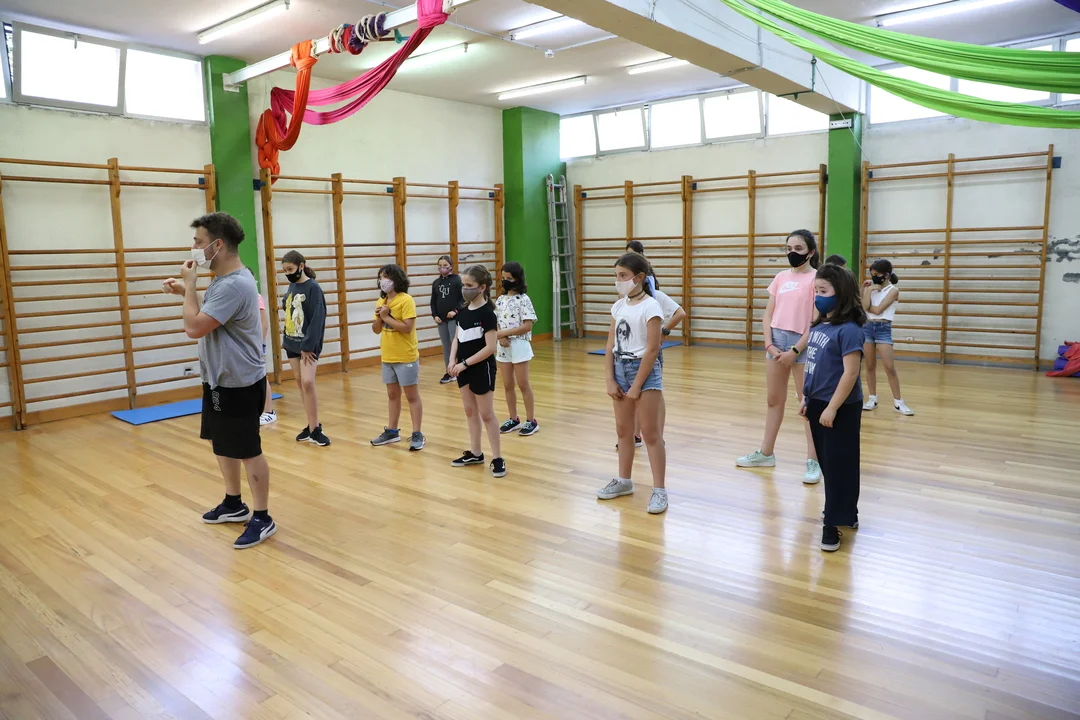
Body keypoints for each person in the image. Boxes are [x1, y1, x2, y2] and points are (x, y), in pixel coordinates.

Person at [162, 212, 275, 549]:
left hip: (239, 382)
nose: (194, 248)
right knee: (222, 443)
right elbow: (210, 313)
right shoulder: (223, 282)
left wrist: (190, 287)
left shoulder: (234, 284)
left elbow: (193, 327)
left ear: (218, 245)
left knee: (248, 451)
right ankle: (233, 502)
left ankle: (263, 517)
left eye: (199, 242)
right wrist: (186, 291)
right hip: (218, 379)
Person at [736, 229, 822, 484]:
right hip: (776, 341)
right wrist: (769, 344)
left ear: (811, 252)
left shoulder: (817, 279)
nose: (792, 253)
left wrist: (795, 351)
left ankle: (814, 460)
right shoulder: (781, 277)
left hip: (802, 343)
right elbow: (768, 314)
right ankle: (766, 453)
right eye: (789, 249)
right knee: (774, 400)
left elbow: (816, 321)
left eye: (798, 249)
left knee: (807, 404)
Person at [799, 264, 866, 552]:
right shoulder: (818, 326)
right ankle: (846, 513)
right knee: (829, 464)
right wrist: (806, 397)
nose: (817, 296)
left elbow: (850, 374)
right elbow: (813, 366)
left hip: (839, 407)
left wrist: (832, 408)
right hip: (817, 403)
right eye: (816, 290)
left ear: (841, 294)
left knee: (840, 465)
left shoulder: (849, 331)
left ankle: (832, 524)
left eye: (823, 291)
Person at [596, 252, 668, 515]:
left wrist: (637, 385)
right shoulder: (618, 306)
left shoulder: (651, 307)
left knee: (650, 433)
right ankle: (624, 481)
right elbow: (609, 345)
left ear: (639, 278)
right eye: (616, 276)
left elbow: (652, 349)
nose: (618, 280)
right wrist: (610, 379)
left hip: (644, 372)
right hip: (620, 369)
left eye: (623, 275)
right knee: (623, 431)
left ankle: (659, 489)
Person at [448, 265, 505, 477]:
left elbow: (490, 348)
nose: (465, 289)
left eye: (469, 285)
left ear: (481, 288)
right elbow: (457, 338)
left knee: (486, 414)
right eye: (463, 285)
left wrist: (465, 364)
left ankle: (497, 458)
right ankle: (475, 453)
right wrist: (452, 360)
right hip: (462, 369)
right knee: (470, 411)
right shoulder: (462, 312)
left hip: (481, 369)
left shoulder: (488, 314)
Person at [622, 286, 686, 450]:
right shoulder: (625, 299)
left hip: (651, 353)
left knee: (654, 394)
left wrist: (664, 331)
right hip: (630, 355)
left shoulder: (656, 296)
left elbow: (680, 313)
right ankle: (635, 435)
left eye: (624, 275)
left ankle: (658, 436)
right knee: (633, 396)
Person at [371, 264, 425, 450]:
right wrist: (380, 317)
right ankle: (392, 431)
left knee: (411, 396)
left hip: (406, 356)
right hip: (388, 356)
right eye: (380, 277)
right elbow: (376, 329)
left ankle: (417, 433)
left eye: (386, 277)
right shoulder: (381, 301)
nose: (382, 281)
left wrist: (387, 317)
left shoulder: (406, 300)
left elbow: (407, 328)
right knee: (392, 395)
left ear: (396, 279)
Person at [281, 250, 330, 447]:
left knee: (308, 382)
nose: (288, 273)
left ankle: (316, 429)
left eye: (290, 269)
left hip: (307, 345)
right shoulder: (292, 286)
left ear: (301, 266)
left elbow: (318, 318)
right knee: (300, 382)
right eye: (285, 270)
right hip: (291, 342)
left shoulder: (313, 288)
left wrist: (309, 345)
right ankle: (311, 426)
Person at [861, 259, 915, 416]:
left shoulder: (893, 290)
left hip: (883, 328)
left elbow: (877, 310)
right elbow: (863, 307)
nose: (874, 277)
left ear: (886, 275)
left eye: (877, 274)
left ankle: (898, 402)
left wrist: (867, 303)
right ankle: (872, 399)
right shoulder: (870, 287)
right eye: (872, 274)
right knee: (869, 366)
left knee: (889, 367)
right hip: (867, 327)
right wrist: (867, 290)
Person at [496, 262, 540, 437]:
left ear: (517, 279)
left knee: (523, 384)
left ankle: (531, 421)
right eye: (503, 278)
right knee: (507, 384)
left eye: (509, 278)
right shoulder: (500, 300)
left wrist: (505, 333)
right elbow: (497, 322)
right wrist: (501, 336)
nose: (505, 281)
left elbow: (527, 326)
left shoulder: (524, 300)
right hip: (503, 346)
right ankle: (513, 418)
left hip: (519, 345)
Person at [431, 255, 463, 385]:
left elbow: (463, 299)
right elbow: (433, 301)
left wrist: (455, 311)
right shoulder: (436, 283)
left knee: (455, 344)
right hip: (441, 320)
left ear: (451, 266)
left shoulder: (457, 280)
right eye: (440, 266)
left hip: (454, 318)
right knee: (446, 346)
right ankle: (449, 371)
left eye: (445, 265)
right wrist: (435, 315)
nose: (442, 268)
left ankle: (458, 369)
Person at [257, 293, 276, 426]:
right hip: (246, 344)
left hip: (256, 344)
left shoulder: (255, 296)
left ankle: (269, 412)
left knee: (262, 376)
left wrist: (260, 343)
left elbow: (264, 323)